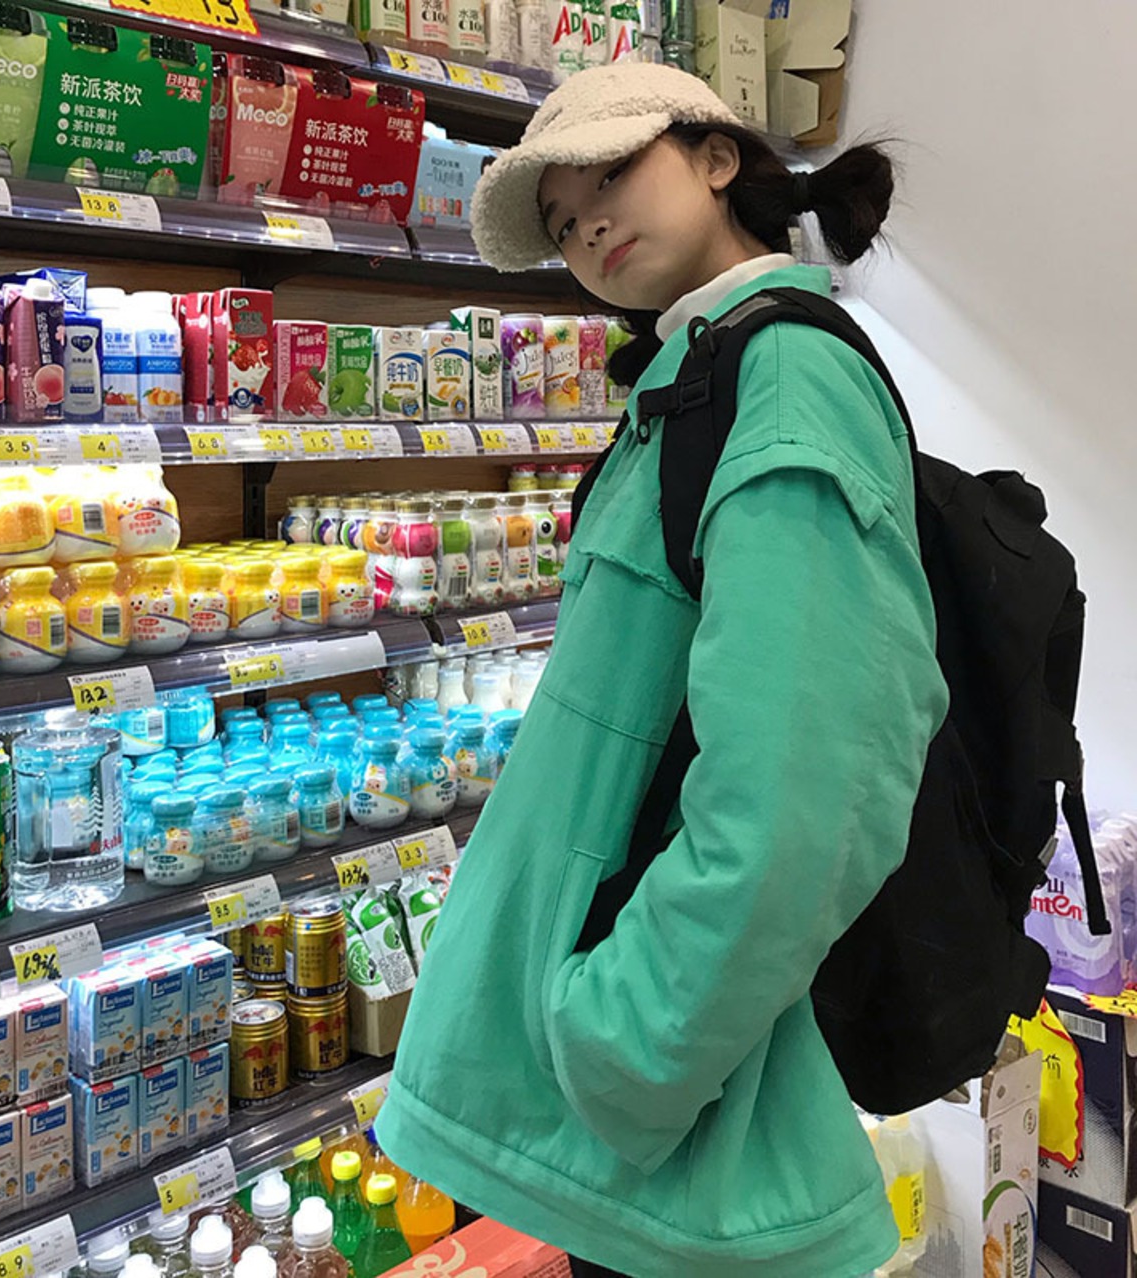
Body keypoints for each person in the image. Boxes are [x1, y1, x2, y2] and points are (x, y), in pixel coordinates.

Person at [376, 61, 948, 1278]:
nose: (585, 222)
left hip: (657, 1128)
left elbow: (806, 788)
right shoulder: (694, 380)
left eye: (607, 175)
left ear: (716, 157)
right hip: (614, 1139)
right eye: (559, 219)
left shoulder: (782, 378)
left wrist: (624, 1045)